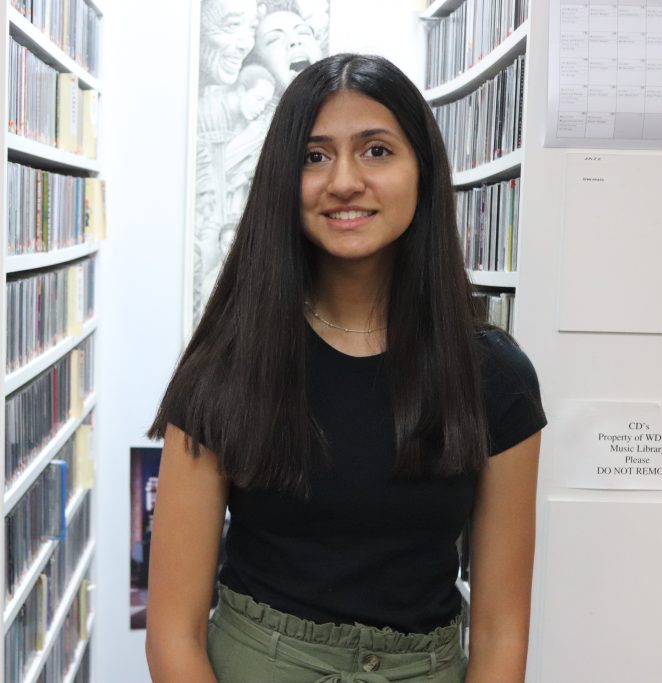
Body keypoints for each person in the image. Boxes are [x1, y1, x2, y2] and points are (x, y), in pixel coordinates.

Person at [145, 53, 546, 683]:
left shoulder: (495, 378)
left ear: (422, 171)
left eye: (377, 151)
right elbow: (173, 633)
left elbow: (500, 633)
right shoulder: (227, 366)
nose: (344, 181)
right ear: (284, 178)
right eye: (314, 155)